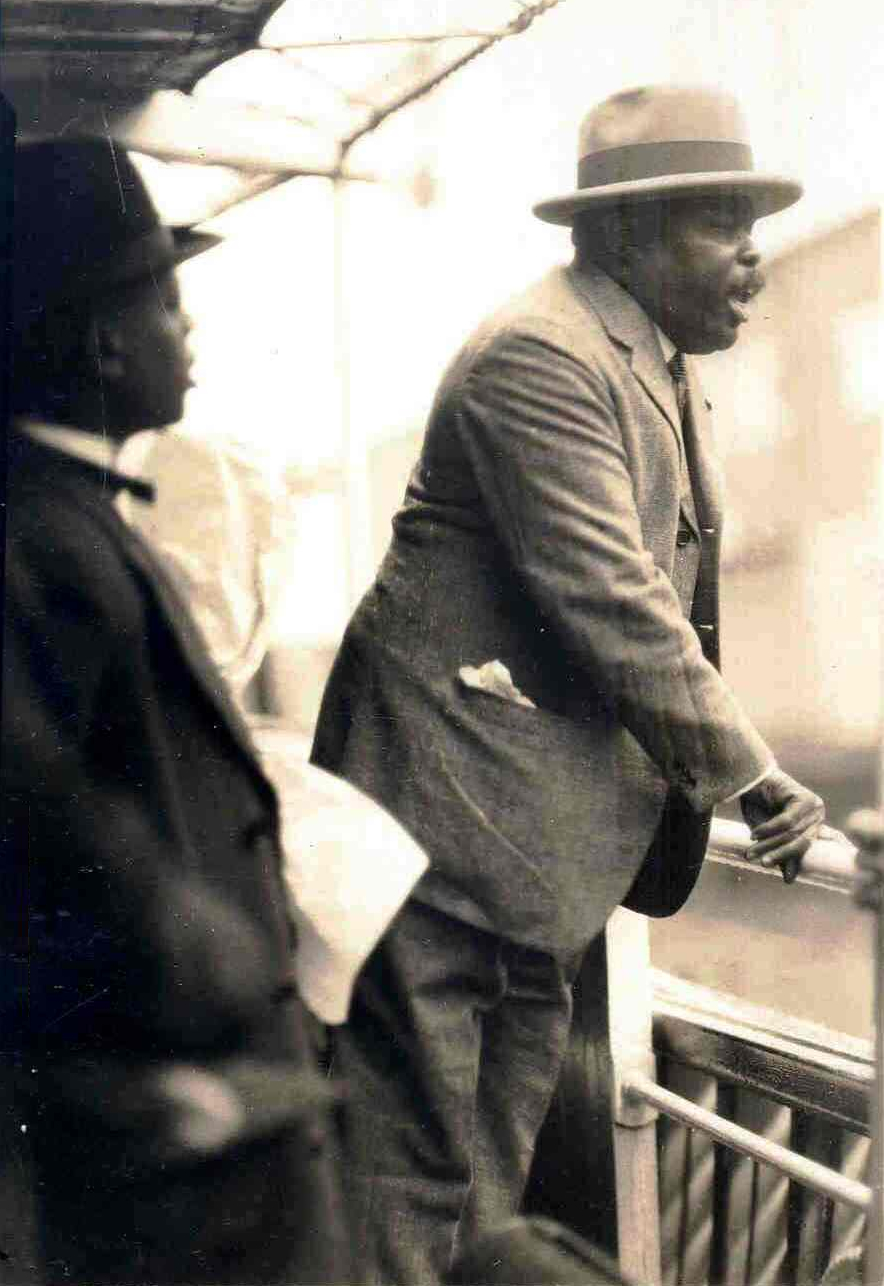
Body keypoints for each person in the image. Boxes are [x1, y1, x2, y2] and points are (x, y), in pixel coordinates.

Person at [311, 84, 827, 1284]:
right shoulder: (538, 358)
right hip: (441, 852)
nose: (749, 254)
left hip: (529, 863)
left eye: (750, 221)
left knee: (485, 1183)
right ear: (623, 236)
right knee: (413, 1184)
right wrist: (751, 776)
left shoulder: (642, 353)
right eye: (717, 222)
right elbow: (613, 602)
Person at [1, 138, 349, 1285]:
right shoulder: (47, 543)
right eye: (168, 304)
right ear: (104, 343)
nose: (188, 332)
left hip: (202, 1139)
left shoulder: (79, 518)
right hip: (174, 1163)